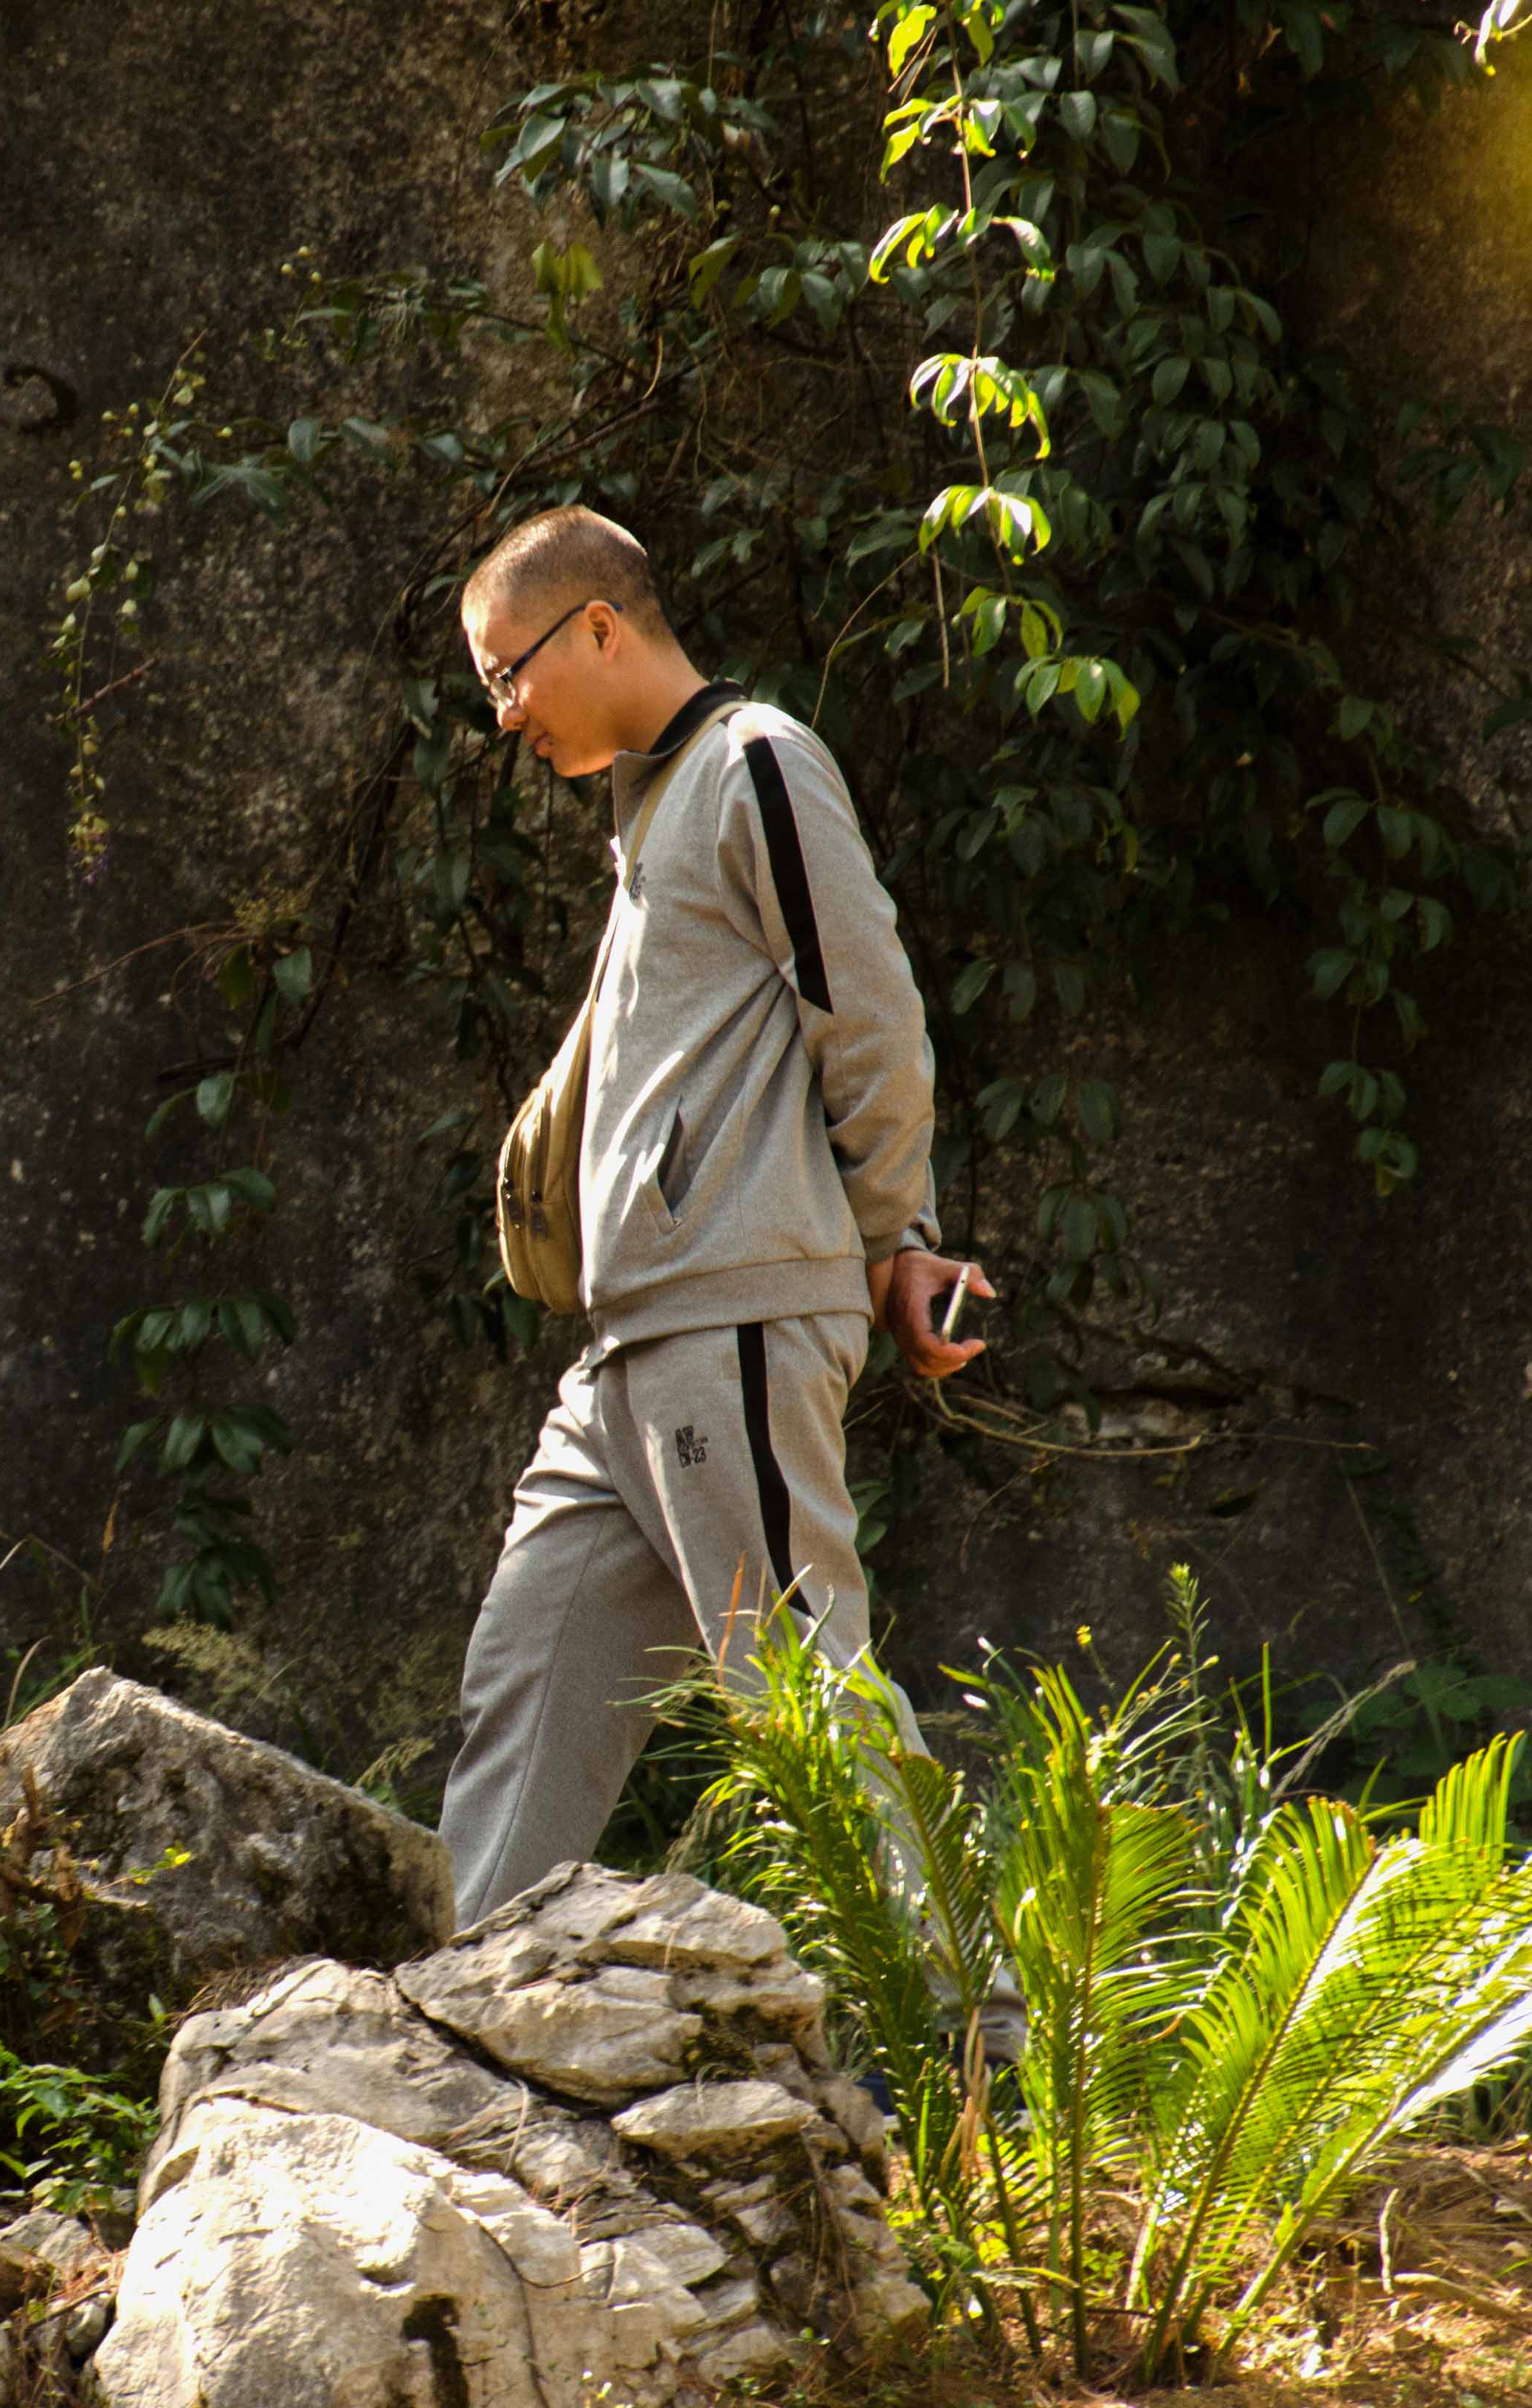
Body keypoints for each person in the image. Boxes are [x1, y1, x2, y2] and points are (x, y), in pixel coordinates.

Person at [436, 506, 995, 1933]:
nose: (504, 712)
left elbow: (867, 1011)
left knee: (805, 1696)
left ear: (601, 627)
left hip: (735, 1314)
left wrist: (895, 1238)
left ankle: (977, 2049)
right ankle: (448, 2029)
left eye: (511, 671)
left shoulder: (756, 762)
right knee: (525, 1679)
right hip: (629, 1346)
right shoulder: (651, 806)